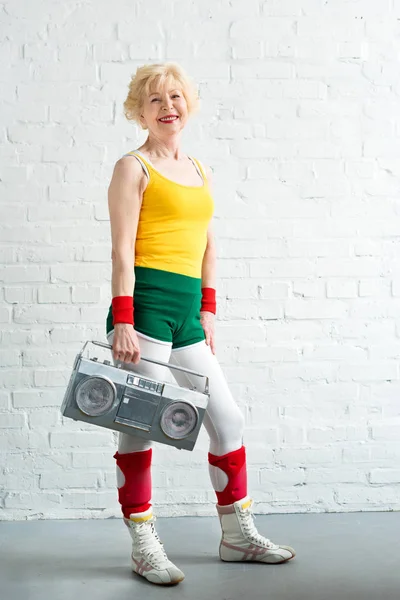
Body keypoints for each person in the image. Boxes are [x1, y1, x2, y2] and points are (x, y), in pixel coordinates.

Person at [105, 62, 296, 586]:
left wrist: (208, 310)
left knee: (227, 419)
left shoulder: (200, 169)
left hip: (188, 312)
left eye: (175, 97)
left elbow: (209, 245)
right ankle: (144, 544)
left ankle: (237, 537)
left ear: (188, 104)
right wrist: (122, 321)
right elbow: (122, 250)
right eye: (155, 100)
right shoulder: (132, 167)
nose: (168, 107)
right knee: (142, 423)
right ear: (138, 111)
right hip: (144, 308)